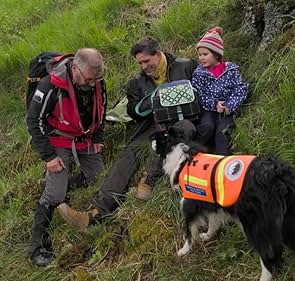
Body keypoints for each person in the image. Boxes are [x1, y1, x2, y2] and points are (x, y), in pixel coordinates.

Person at [57, 36, 198, 230]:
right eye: (139, 63)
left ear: (158, 54)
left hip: (184, 121)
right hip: (153, 124)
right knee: (129, 154)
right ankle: (95, 214)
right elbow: (133, 112)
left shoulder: (186, 66)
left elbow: (203, 92)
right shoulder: (137, 83)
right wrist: (151, 101)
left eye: (147, 61)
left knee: (178, 131)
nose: (143, 67)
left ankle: (149, 178)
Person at [26, 48, 107, 267]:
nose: (92, 84)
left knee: (98, 179)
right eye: (89, 79)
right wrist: (49, 157)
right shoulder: (50, 85)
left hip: (84, 137)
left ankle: (55, 182)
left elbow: (102, 108)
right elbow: (34, 121)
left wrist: (98, 136)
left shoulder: (96, 81)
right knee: (55, 196)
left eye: (96, 79)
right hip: (58, 140)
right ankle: (38, 247)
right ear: (74, 69)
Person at [192, 27, 248, 155]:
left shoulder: (231, 70)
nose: (201, 58)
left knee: (223, 132)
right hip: (208, 109)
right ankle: (194, 154)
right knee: (207, 127)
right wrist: (214, 104)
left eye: (205, 54)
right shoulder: (199, 73)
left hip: (226, 109)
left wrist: (229, 105)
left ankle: (222, 161)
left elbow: (240, 88)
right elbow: (198, 94)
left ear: (216, 54)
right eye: (200, 55)